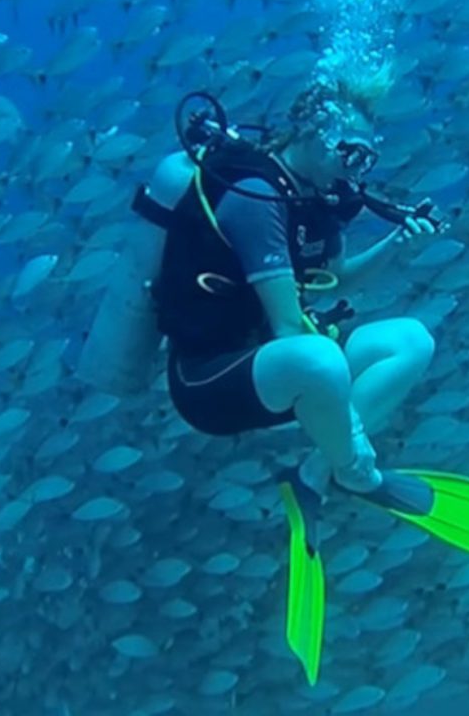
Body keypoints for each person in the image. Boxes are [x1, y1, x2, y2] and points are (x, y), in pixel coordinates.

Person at [79, 81, 436, 496]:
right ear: (312, 132)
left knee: (412, 341)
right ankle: (355, 470)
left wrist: (396, 243)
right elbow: (288, 326)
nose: (355, 169)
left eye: (366, 158)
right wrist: (353, 436)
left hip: (279, 371)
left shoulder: (312, 197)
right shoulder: (258, 198)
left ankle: (316, 474)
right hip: (210, 383)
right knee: (320, 358)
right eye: (350, 151)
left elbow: (335, 279)